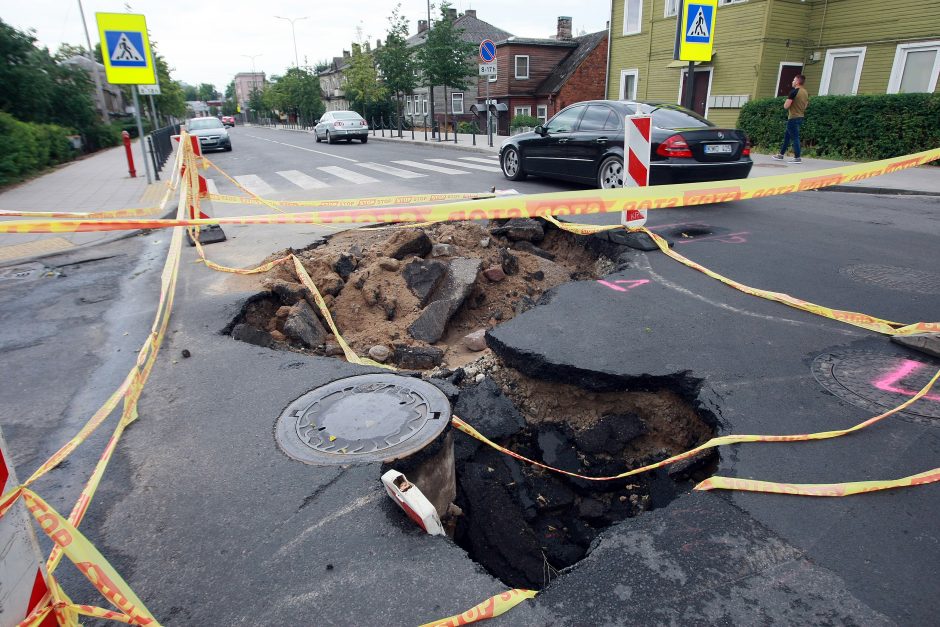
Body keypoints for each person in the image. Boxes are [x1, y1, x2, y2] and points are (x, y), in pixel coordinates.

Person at [773, 74, 809, 164]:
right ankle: (781, 154)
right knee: (787, 137)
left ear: (797, 82)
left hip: (793, 118)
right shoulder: (805, 92)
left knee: (795, 137)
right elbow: (806, 105)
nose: (792, 82)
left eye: (793, 80)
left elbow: (786, 106)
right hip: (800, 116)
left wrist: (787, 103)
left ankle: (797, 157)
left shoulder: (794, 92)